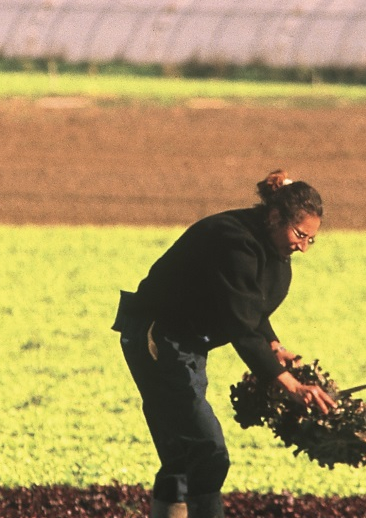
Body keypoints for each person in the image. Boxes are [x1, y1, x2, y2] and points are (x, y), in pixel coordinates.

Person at [112, 170, 337, 518]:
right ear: (275, 217)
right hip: (156, 336)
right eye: (300, 235)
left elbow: (251, 308)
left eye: (311, 240)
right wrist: (287, 382)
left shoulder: (268, 246)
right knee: (206, 448)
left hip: (186, 345)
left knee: (183, 452)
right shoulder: (234, 240)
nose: (303, 247)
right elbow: (240, 323)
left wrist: (274, 346)